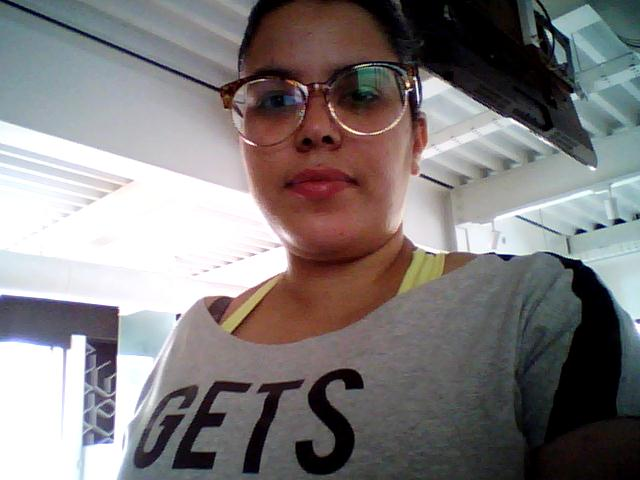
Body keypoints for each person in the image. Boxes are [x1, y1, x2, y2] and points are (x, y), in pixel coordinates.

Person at [118, 0, 640, 478]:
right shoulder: (193, 334)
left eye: (362, 93)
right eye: (276, 99)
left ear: (416, 141)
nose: (316, 128)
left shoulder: (538, 305)